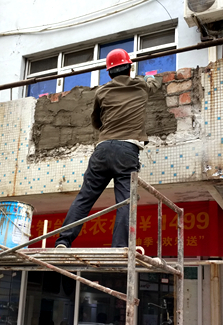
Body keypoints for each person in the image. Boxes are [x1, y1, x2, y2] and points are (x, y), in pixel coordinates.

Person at [54, 48, 160, 248]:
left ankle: (63, 240)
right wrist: (150, 77)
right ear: (129, 68)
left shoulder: (102, 91)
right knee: (125, 201)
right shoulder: (140, 86)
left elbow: (96, 122)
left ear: (109, 73)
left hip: (102, 149)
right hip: (127, 150)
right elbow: (155, 83)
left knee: (85, 197)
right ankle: (119, 247)